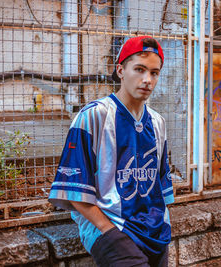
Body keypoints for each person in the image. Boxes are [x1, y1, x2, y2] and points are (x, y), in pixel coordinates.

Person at [48, 36, 174, 267]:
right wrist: (109, 230)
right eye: (139, 69)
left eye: (154, 73)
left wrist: (163, 220)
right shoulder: (93, 116)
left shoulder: (158, 123)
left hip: (156, 232)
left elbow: (160, 183)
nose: (147, 79)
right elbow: (75, 189)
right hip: (112, 229)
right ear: (120, 70)